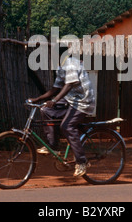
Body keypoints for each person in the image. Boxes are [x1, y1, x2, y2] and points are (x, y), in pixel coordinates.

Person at [28, 48, 95, 177]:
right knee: (45, 109)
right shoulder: (61, 67)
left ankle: (82, 161)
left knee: (67, 126)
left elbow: (69, 85)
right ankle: (54, 147)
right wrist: (38, 99)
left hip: (83, 101)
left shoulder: (71, 63)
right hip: (71, 101)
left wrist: (55, 100)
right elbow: (55, 89)